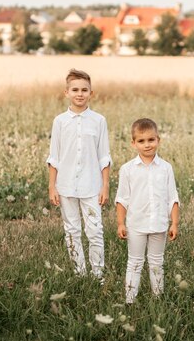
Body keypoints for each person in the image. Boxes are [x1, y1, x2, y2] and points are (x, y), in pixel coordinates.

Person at [47, 69, 111, 280]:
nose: (80, 94)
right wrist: (52, 186)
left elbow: (104, 156)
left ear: (91, 93)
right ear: (66, 92)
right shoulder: (60, 121)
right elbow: (54, 156)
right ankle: (79, 273)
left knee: (95, 231)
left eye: (84, 90)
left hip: (92, 185)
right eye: (75, 90)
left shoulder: (99, 121)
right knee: (72, 230)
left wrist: (105, 186)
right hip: (65, 186)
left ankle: (97, 274)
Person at [116, 118, 179, 304]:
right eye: (141, 141)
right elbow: (122, 198)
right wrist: (121, 223)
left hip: (159, 224)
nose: (147, 145)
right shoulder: (127, 169)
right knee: (134, 262)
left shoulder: (166, 168)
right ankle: (129, 300)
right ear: (133, 143)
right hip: (136, 224)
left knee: (156, 262)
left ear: (158, 140)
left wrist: (174, 222)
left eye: (151, 140)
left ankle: (158, 298)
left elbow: (172, 197)